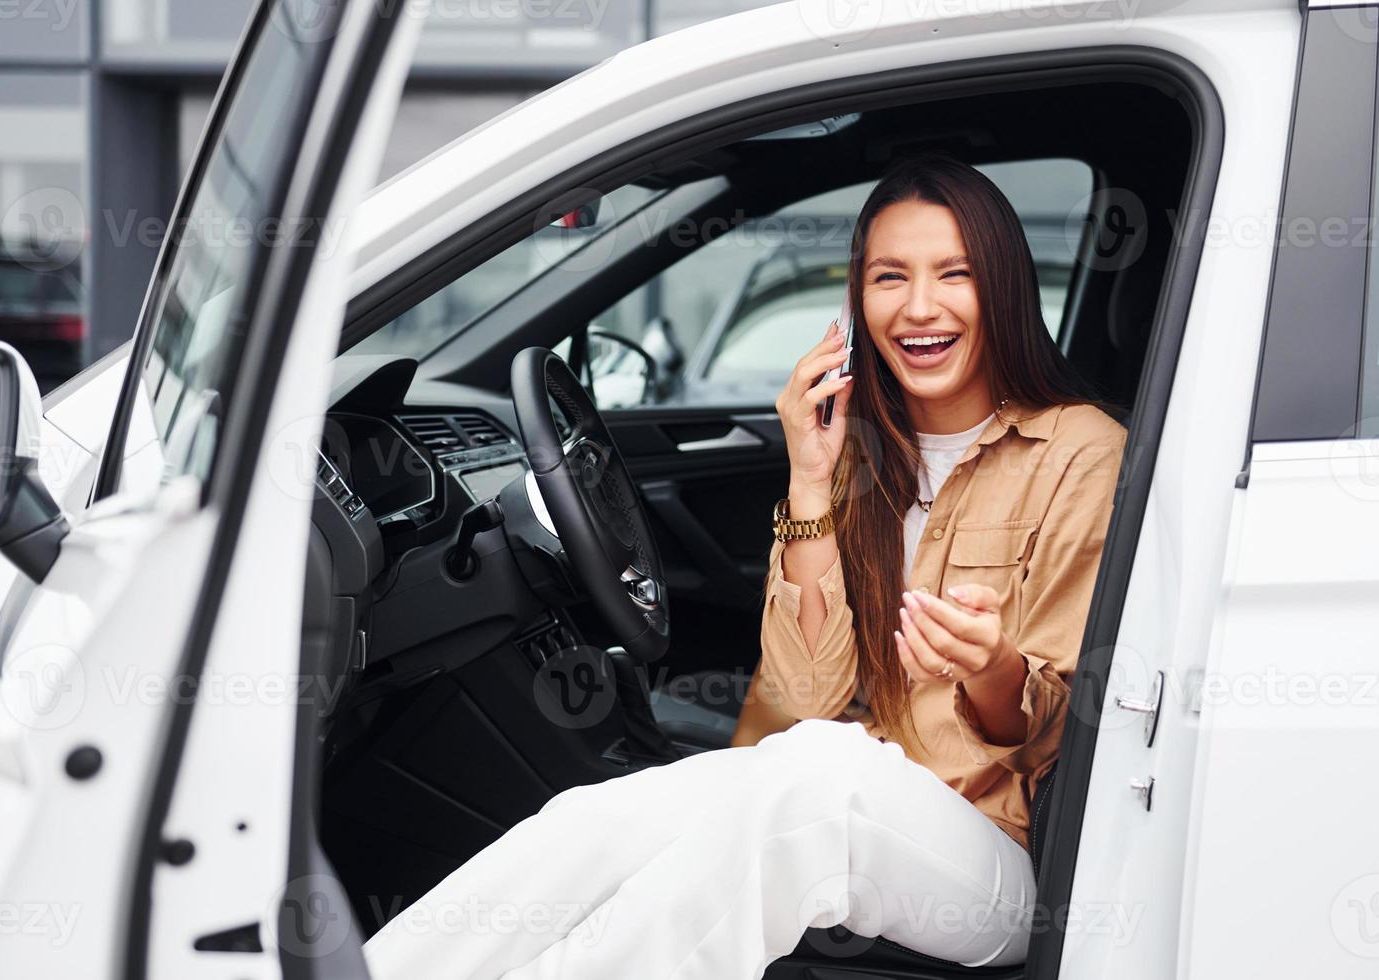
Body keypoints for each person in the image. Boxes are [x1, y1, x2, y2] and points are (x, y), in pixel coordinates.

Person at [361, 152, 1127, 979]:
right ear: (858, 301)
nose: (919, 307)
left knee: (814, 786)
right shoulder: (860, 456)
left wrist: (993, 670)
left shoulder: (1080, 453)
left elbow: (1064, 734)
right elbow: (803, 697)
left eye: (955, 274)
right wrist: (808, 474)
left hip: (1003, 860)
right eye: (888, 278)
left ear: (1004, 289)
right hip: (859, 795)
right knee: (596, 820)